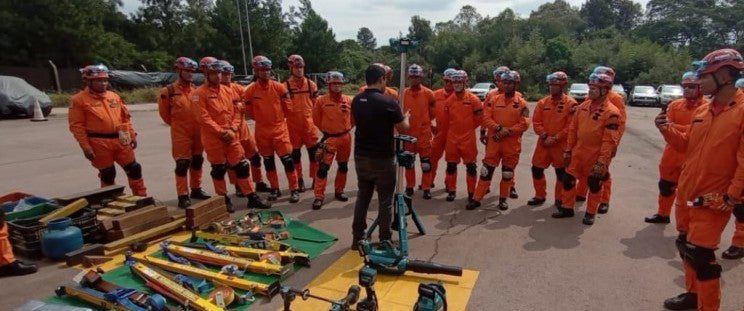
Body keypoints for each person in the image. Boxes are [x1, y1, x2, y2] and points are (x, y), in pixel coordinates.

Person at [657, 48, 744, 311]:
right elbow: (686, 145)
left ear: (726, 75)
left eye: (704, 76)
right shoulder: (705, 110)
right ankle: (692, 296)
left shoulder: (741, 112)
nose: (698, 81)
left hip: (713, 198)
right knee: (685, 245)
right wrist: (666, 129)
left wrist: (731, 196)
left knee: (702, 256)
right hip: (689, 195)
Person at [191, 57, 270, 212]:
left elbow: (238, 112)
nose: (218, 76)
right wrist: (221, 132)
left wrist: (232, 130)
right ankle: (224, 199)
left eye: (219, 72)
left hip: (231, 136)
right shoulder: (198, 94)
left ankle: (251, 196)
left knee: (242, 166)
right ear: (206, 73)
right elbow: (203, 118)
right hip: (214, 138)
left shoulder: (229, 91)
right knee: (219, 169)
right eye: (214, 73)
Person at [351, 64, 409, 249]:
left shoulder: (357, 100)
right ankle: (385, 239)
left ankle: (357, 238)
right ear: (381, 79)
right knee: (385, 201)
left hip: (361, 156)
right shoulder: (388, 103)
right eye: (385, 79)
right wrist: (407, 116)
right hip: (382, 158)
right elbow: (403, 128)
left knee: (363, 197)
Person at [552, 72, 621, 225]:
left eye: (594, 89)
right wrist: (568, 150)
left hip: (596, 153)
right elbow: (572, 130)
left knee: (594, 183)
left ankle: (590, 212)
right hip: (579, 151)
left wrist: (602, 162)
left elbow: (609, 140)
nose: (590, 91)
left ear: (605, 90)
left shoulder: (612, 112)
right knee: (568, 179)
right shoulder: (582, 106)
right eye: (590, 88)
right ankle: (567, 207)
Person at [68, 64, 147, 196]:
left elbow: (125, 118)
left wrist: (132, 135)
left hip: (121, 140)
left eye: (105, 80)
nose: (103, 83)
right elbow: (77, 126)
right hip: (99, 143)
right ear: (88, 81)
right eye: (99, 81)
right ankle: (112, 201)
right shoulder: (79, 100)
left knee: (134, 169)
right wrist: (85, 147)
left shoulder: (113, 96)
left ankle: (141, 197)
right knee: (108, 174)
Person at [645, 72, 707, 225]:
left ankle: (688, 224)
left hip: (694, 156)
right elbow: (668, 125)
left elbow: (696, 132)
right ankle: (663, 214)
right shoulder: (674, 105)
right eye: (684, 87)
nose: (687, 90)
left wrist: (673, 127)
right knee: (665, 185)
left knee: (689, 193)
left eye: (691, 87)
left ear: (700, 87)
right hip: (671, 154)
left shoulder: (707, 108)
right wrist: (682, 128)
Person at [468, 70, 529, 211]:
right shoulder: (494, 100)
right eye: (505, 82)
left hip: (511, 144)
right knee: (486, 172)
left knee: (507, 173)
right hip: (494, 143)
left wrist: (508, 131)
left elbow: (524, 124)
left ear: (516, 84)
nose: (507, 86)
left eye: (510, 83)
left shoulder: (522, 103)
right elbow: (486, 118)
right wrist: (499, 128)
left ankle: (503, 199)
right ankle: (477, 199)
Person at [243, 55, 301, 202]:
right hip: (262, 131)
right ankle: (275, 188)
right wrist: (261, 119)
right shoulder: (250, 91)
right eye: (262, 70)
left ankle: (294, 189)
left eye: (268, 69)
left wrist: (279, 120)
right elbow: (248, 111)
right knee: (268, 161)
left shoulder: (279, 87)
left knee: (287, 160)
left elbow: (288, 108)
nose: (266, 72)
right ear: (256, 71)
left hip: (279, 129)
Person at [158, 57, 210, 208]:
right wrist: (179, 125)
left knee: (197, 161)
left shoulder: (196, 90)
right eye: (186, 71)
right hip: (181, 133)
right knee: (182, 164)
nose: (189, 74)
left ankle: (196, 189)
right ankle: (182, 194)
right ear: (178, 71)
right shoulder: (169, 91)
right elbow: (165, 115)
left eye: (191, 72)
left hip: (197, 131)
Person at [218, 60, 269, 197]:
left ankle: (259, 182)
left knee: (255, 157)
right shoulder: (216, 93)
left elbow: (251, 96)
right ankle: (238, 186)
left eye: (229, 73)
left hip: (244, 130)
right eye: (224, 73)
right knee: (234, 163)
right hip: (229, 133)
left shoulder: (238, 88)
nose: (227, 76)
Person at [527, 71, 578, 208]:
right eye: (550, 85)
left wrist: (555, 138)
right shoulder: (543, 102)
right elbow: (536, 122)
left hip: (560, 145)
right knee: (536, 169)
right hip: (543, 143)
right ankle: (540, 195)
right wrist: (544, 135)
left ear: (562, 86)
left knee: (561, 172)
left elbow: (571, 126)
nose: (552, 88)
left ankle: (559, 199)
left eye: (555, 85)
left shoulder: (571, 104)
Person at [311, 71, 354, 210]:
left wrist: (346, 128)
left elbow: (353, 119)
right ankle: (318, 196)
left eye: (339, 84)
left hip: (345, 137)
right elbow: (316, 119)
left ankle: (339, 191)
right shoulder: (321, 101)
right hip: (329, 138)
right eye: (333, 84)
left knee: (343, 166)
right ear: (328, 85)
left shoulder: (348, 100)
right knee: (323, 168)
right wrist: (327, 131)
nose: (336, 86)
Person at [442, 70, 483, 202]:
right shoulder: (448, 101)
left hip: (468, 138)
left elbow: (479, 118)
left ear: (465, 82)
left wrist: (469, 129)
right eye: (455, 82)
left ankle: (471, 193)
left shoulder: (474, 100)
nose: (457, 84)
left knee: (471, 166)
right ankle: (452, 191)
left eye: (460, 82)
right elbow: (446, 120)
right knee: (451, 165)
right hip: (452, 138)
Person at [591, 66, 627, 214]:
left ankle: (604, 200)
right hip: (591, 142)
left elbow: (620, 123)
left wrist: (614, 144)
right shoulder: (593, 95)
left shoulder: (615, 99)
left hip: (606, 142)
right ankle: (582, 194)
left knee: (602, 171)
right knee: (588, 170)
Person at [482, 66, 521, 199]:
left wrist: (514, 132)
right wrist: (483, 131)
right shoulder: (491, 95)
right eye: (498, 79)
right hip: (493, 134)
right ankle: (485, 186)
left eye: (502, 79)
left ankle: (511, 187)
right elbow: (485, 114)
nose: (500, 82)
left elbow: (521, 119)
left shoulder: (518, 96)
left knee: (509, 166)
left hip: (510, 137)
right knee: (489, 163)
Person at [285, 55, 321, 192]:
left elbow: (316, 105)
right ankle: (299, 180)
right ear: (291, 68)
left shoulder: (311, 85)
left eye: (301, 67)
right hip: (293, 127)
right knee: (295, 157)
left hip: (309, 126)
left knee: (314, 155)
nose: (299, 70)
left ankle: (315, 179)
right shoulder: (286, 86)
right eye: (296, 67)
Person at [401, 64, 436, 199]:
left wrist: (424, 123)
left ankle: (426, 187)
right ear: (409, 77)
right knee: (408, 162)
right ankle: (410, 187)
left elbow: (432, 113)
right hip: (408, 134)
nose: (414, 79)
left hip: (424, 135)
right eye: (412, 77)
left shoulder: (428, 93)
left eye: (417, 76)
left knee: (426, 164)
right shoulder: (403, 93)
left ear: (421, 77)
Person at [429, 68, 457, 192]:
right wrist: (431, 126)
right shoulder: (435, 95)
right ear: (443, 80)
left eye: (451, 81)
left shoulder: (460, 96)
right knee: (432, 157)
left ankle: (449, 184)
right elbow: (427, 113)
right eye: (446, 81)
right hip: (439, 132)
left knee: (451, 161)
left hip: (454, 134)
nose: (449, 84)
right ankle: (428, 181)